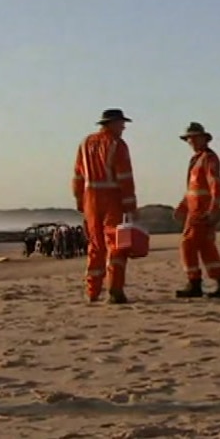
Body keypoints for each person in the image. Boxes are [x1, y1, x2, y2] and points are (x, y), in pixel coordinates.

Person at [72, 108, 139, 304]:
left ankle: (92, 291)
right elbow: (125, 178)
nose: (123, 127)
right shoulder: (117, 144)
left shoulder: (85, 143)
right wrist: (131, 206)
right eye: (121, 123)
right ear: (111, 124)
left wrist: (79, 201)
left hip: (89, 198)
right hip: (113, 199)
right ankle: (115, 290)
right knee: (118, 244)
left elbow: (77, 175)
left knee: (95, 245)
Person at [174, 122, 220, 299]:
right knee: (206, 247)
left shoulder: (208, 158)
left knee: (188, 244)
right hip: (196, 210)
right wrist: (183, 206)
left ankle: (194, 283)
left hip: (201, 212)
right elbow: (193, 188)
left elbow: (215, 184)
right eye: (188, 139)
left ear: (203, 138)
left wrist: (213, 209)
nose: (190, 142)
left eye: (193, 138)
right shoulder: (197, 160)